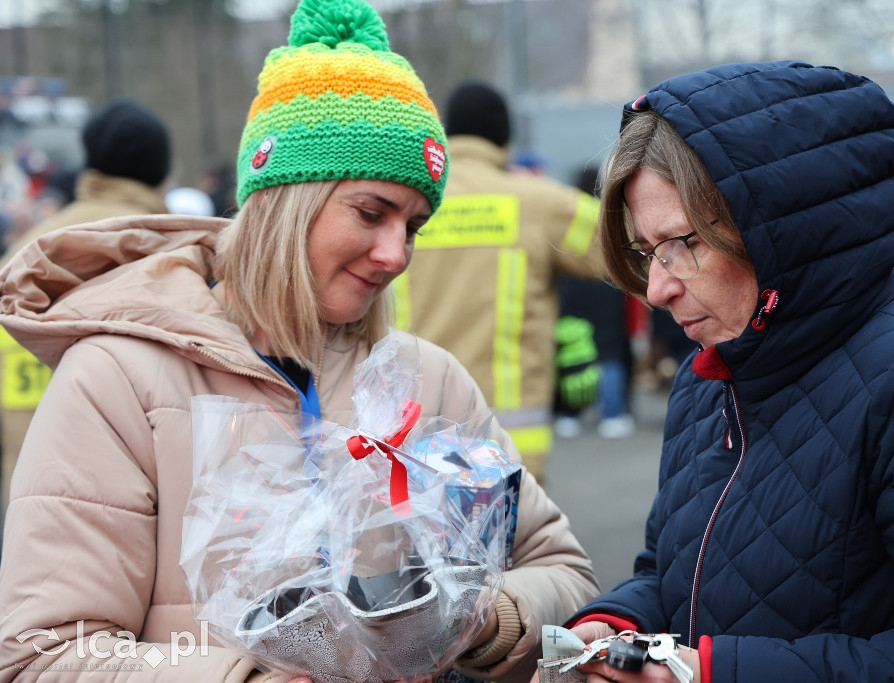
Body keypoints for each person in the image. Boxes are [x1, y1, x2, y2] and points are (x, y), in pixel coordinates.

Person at [0, 1, 600, 681]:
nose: (397, 252)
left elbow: (564, 571)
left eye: (414, 225)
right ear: (287, 198)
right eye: (372, 212)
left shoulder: (427, 379)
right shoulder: (118, 380)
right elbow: (41, 654)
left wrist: (489, 619)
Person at [533, 61, 894, 683]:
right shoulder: (707, 379)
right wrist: (616, 628)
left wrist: (711, 672)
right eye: (645, 251)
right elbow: (670, 571)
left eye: (682, 245)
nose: (656, 288)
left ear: (779, 228)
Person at [393, 81, 606, 484]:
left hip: (410, 433)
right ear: (504, 138)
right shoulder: (539, 203)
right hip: (508, 440)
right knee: (512, 544)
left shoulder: (407, 203)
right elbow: (633, 247)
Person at [0, 97, 172, 539]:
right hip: (141, 517)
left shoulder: (23, 256)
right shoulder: (171, 253)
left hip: (25, 510)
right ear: (162, 173)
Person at [554, 166, 637, 440]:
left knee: (572, 355)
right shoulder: (608, 215)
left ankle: (569, 415)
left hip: (572, 293)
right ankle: (612, 415)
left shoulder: (565, 216)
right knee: (610, 356)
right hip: (606, 292)